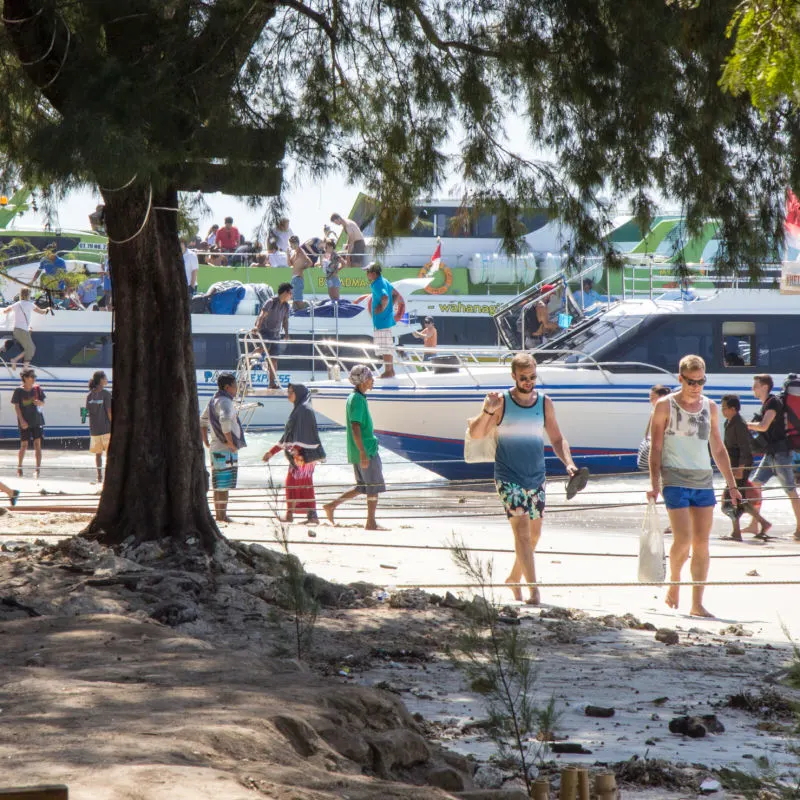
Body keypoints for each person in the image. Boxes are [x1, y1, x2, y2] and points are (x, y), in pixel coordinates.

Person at [467, 353, 580, 605]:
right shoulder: (502, 402)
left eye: (532, 377)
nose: (528, 382)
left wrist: (569, 464)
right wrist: (488, 410)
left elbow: (558, 439)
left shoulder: (544, 403)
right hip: (508, 477)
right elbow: (476, 434)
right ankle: (534, 591)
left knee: (534, 536)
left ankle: (514, 578)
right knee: (523, 534)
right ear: (513, 376)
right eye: (523, 378)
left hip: (537, 477)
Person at [647, 354, 741, 618]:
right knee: (684, 539)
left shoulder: (709, 407)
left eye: (701, 381)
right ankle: (674, 581)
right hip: (674, 477)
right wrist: (654, 483)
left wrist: (732, 485)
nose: (696, 386)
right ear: (680, 379)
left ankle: (697, 603)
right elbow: (656, 447)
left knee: (702, 544)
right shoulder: (665, 406)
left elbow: (718, 449)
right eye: (691, 381)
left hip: (703, 479)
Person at [323, 365, 387, 530]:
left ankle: (331, 506)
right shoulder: (357, 399)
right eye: (370, 378)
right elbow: (355, 427)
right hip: (365, 449)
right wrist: (363, 452)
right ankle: (371, 522)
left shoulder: (356, 397)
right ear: (364, 381)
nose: (373, 381)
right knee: (372, 487)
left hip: (360, 449)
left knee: (362, 486)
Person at [262, 383, 326, 524]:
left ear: (299, 393)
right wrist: (271, 452)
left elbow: (301, 435)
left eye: (291, 392)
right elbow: (289, 436)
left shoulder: (302, 410)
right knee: (305, 485)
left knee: (292, 483)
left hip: (302, 456)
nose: (288, 394)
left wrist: (297, 450)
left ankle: (291, 515)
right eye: (288, 392)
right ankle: (312, 515)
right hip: (305, 456)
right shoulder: (301, 409)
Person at [746, 373, 800, 539]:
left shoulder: (774, 402)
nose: (752, 389)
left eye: (755, 386)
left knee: (790, 491)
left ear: (764, 387)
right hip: (771, 453)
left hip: (781, 454)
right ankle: (755, 524)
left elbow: (763, 426)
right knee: (754, 485)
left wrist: (745, 425)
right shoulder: (768, 403)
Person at [720, 393, 771, 541]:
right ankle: (762, 522)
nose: (722, 410)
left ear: (733, 409)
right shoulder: (729, 422)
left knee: (732, 497)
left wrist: (740, 469)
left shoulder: (739, 424)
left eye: (725, 408)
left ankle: (737, 533)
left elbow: (744, 448)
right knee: (737, 497)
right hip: (734, 465)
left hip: (740, 466)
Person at [200, 373, 246, 523]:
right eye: (235, 385)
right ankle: (221, 515)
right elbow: (225, 421)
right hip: (224, 448)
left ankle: (220, 514)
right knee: (223, 483)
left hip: (216, 446)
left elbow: (202, 420)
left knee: (219, 482)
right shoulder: (225, 401)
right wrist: (231, 443)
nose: (237, 388)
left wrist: (206, 440)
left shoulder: (213, 400)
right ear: (227, 387)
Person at [252, 282, 293, 389]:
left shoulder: (286, 306)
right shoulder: (271, 302)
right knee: (263, 347)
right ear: (285, 292)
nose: (291, 296)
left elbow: (285, 321)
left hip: (275, 334)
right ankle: (249, 357)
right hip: (264, 331)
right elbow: (262, 315)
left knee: (274, 359)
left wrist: (286, 334)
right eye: (290, 293)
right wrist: (257, 327)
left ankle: (272, 384)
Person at [365, 262, 401, 378]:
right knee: (387, 346)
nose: (366, 274)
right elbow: (395, 294)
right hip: (386, 320)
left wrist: (382, 307)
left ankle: (388, 371)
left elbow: (385, 297)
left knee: (385, 347)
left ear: (374, 273)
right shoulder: (384, 280)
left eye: (368, 272)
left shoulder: (377, 284)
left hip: (381, 320)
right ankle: (391, 370)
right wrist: (389, 306)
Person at [1, 288, 49, 368]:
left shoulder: (17, 304)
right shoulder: (30, 305)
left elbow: (6, 311)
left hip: (17, 331)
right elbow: (42, 312)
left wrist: (5, 309)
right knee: (31, 349)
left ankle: (23, 367)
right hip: (22, 331)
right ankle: (17, 362)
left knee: (28, 349)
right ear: (28, 295)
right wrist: (48, 309)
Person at [12, 368, 46, 479]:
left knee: (37, 445)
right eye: (32, 376)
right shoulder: (19, 391)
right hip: (25, 422)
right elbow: (17, 406)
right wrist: (21, 420)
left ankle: (38, 469)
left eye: (34, 377)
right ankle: (19, 467)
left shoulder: (37, 389)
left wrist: (39, 402)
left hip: (36, 421)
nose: (34, 378)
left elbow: (43, 403)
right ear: (25, 378)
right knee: (24, 445)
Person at [86, 370, 112, 483]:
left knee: (98, 454)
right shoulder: (106, 394)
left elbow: (86, 412)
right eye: (105, 378)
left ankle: (99, 476)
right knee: (109, 454)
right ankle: (108, 476)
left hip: (94, 430)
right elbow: (109, 411)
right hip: (106, 429)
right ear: (101, 380)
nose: (107, 379)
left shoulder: (89, 395)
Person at [287, 235, 313, 310]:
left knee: (298, 301)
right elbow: (289, 264)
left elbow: (310, 263)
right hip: (294, 279)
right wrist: (288, 255)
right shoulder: (295, 253)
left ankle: (309, 311)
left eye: (294, 243)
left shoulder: (301, 252)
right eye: (291, 243)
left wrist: (302, 268)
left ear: (298, 243)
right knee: (294, 301)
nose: (293, 245)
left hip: (298, 279)